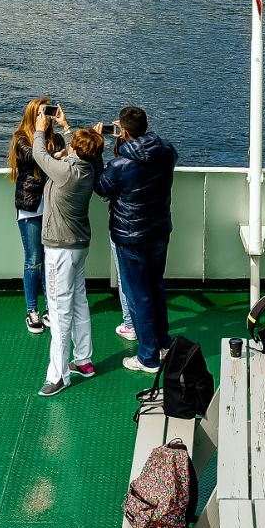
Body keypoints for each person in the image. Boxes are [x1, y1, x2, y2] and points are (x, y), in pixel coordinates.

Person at [93, 105, 177, 372]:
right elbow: (159, 151)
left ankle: (148, 357)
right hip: (159, 231)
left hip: (131, 237)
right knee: (157, 288)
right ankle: (163, 344)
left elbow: (101, 187)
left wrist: (98, 152)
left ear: (123, 131)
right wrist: (129, 139)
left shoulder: (120, 164)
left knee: (139, 295)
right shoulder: (166, 152)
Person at [29, 104, 104, 396]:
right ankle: (83, 360)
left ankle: (59, 375)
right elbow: (78, 150)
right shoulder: (86, 170)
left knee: (60, 312)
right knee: (79, 302)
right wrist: (66, 126)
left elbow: (39, 154)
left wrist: (39, 128)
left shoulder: (65, 173)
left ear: (75, 151)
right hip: (79, 246)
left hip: (59, 250)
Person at [8, 97, 59, 335]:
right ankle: (32, 310)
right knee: (33, 260)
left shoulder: (56, 139)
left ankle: (50, 308)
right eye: (40, 114)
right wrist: (54, 154)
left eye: (48, 113)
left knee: (50, 261)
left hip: (51, 208)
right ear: (32, 116)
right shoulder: (21, 138)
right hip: (30, 207)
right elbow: (34, 157)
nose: (45, 118)